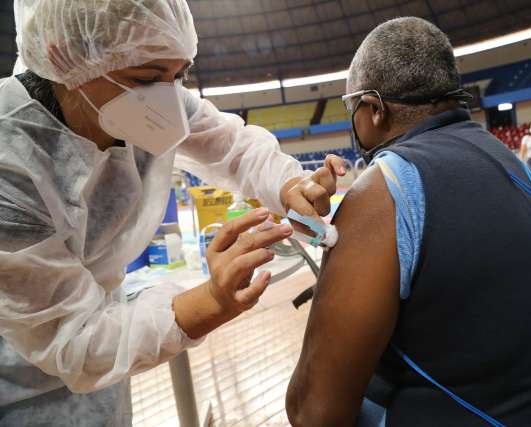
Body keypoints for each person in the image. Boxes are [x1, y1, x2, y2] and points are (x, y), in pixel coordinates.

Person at [0, 1, 345, 425]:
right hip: (19, 382)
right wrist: (211, 301)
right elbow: (73, 341)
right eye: (146, 79)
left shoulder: (137, 96)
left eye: (178, 76)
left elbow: (234, 148)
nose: (167, 100)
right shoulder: (8, 159)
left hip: (107, 363)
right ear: (60, 56)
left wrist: (290, 185)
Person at [286, 17, 531, 426]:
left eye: (352, 108)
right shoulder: (511, 163)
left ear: (373, 109)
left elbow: (311, 411)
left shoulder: (382, 187)